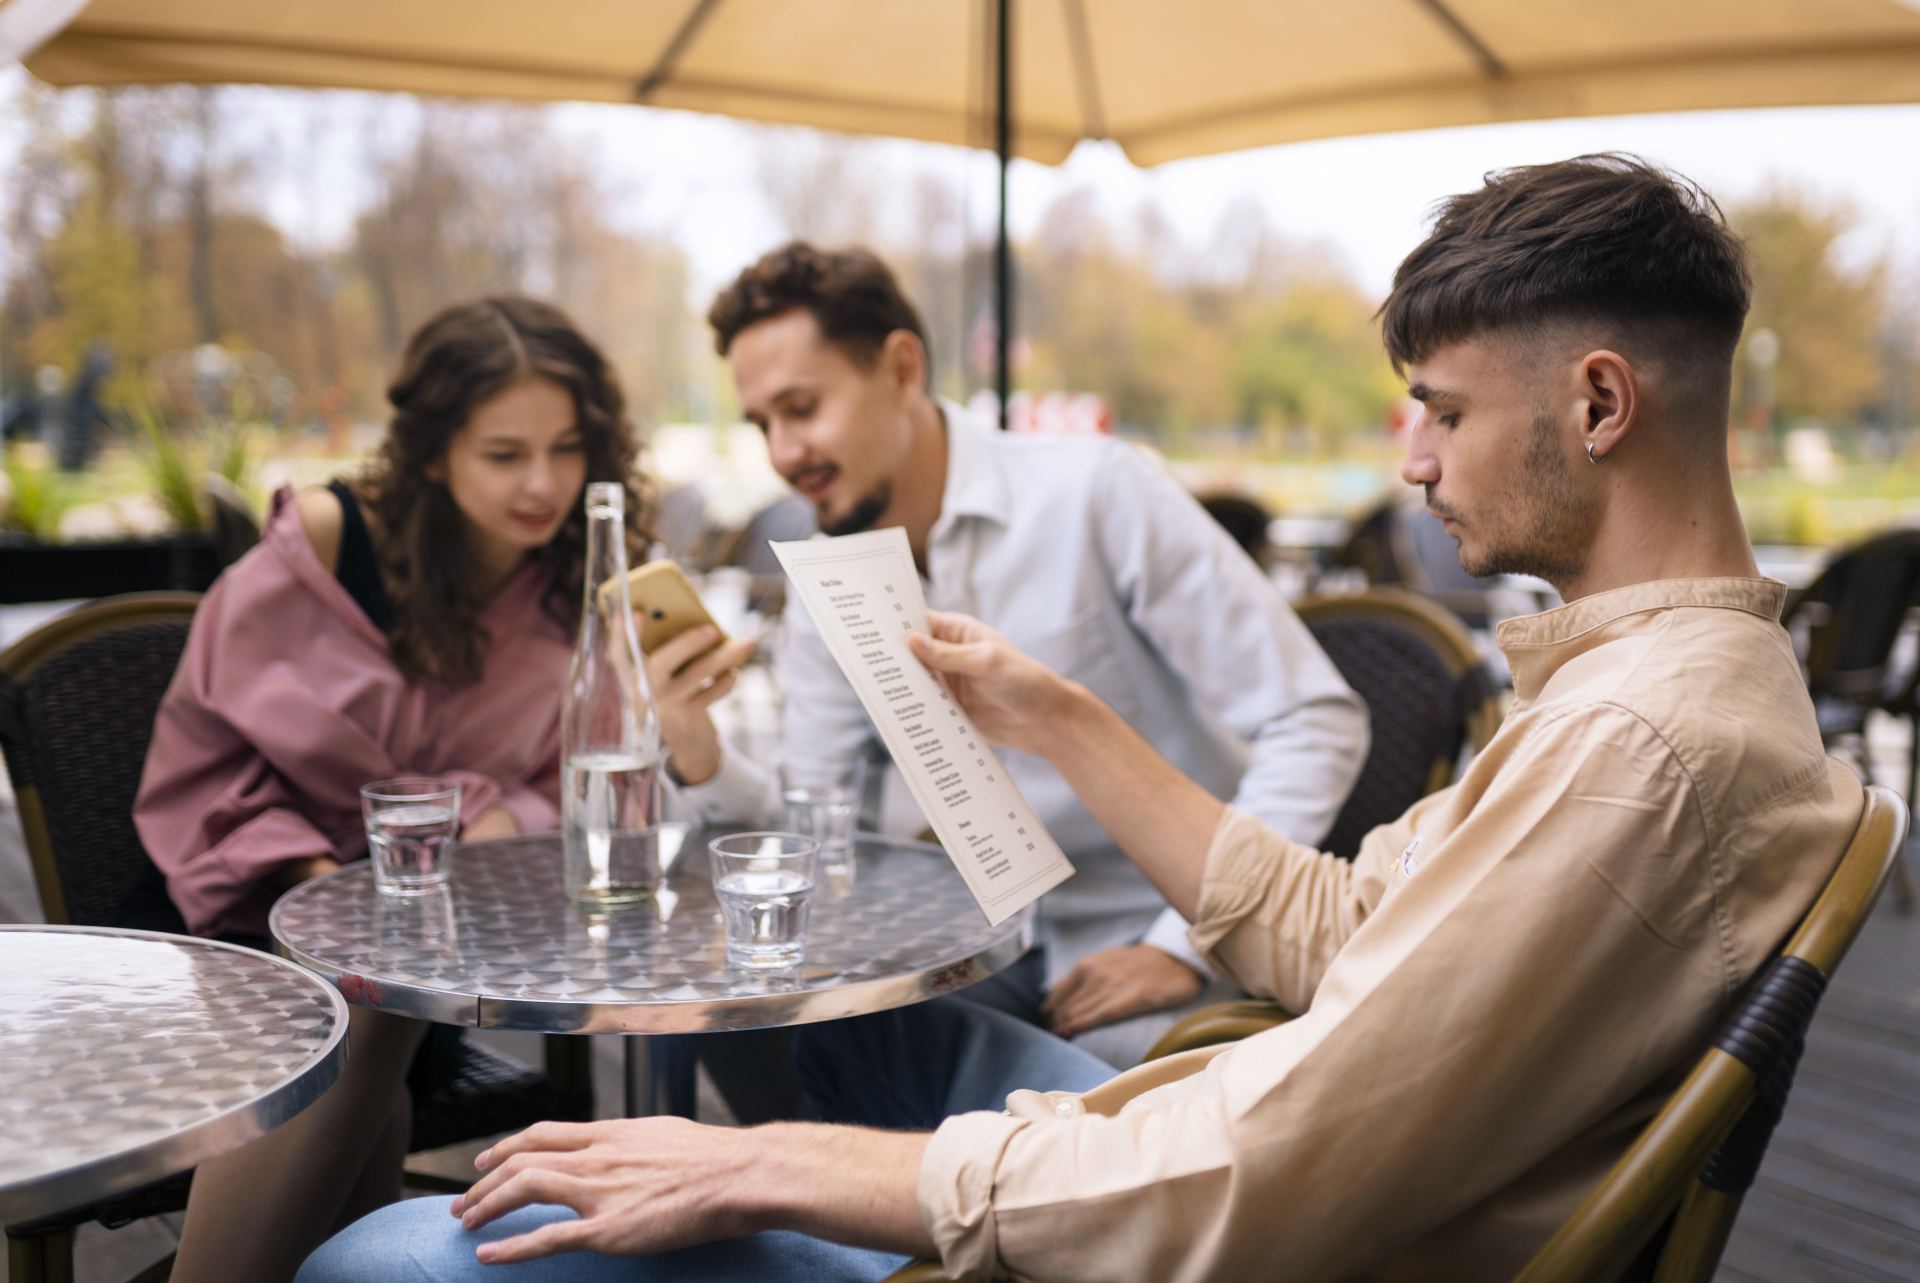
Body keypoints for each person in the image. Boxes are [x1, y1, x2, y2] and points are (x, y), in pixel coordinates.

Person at [298, 154, 1863, 1283]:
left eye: (1442, 410)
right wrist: (1056, 716)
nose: (1414, 461)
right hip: (1187, 1129)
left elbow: (1263, 1175)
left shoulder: (1637, 748)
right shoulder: (1647, 698)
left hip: (1193, 1186)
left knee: (388, 1250)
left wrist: (763, 1168)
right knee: (778, 1056)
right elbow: (1350, 941)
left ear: (1598, 404)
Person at [134, 296, 733, 1283]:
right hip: (242, 910)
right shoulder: (333, 542)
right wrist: (339, 887)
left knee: (375, 1020)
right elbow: (213, 760)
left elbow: (572, 787)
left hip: (448, 935)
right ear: (434, 452)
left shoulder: (578, 578)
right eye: (504, 453)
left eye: (566, 448)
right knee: (352, 1016)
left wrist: (488, 829)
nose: (542, 483)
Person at [653, 242, 1367, 1064]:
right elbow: (816, 822)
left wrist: (1183, 944)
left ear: (902, 366)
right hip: (963, 945)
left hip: (1159, 935)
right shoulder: (827, 571)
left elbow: (1315, 719)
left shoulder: (1098, 493)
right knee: (715, 1029)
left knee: (1041, 1109)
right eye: (762, 423)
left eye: (802, 408)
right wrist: (701, 755)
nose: (782, 453)